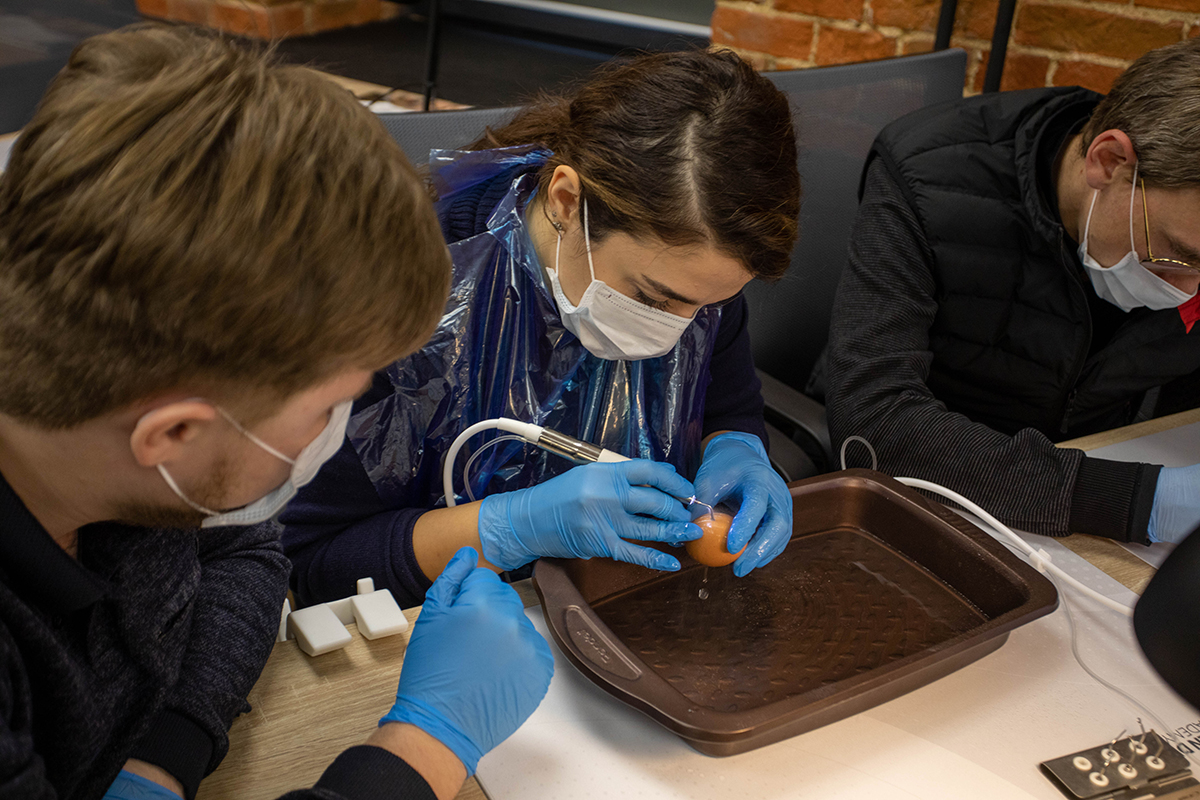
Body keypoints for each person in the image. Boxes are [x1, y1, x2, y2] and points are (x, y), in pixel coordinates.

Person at [0, 24, 551, 800]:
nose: (339, 428)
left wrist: (162, 752)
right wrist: (426, 744)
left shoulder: (115, 453)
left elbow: (246, 550)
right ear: (173, 433)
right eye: (330, 403)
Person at [280, 49, 802, 607]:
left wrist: (739, 447)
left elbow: (726, 405)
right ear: (566, 200)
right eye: (651, 298)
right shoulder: (393, 293)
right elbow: (313, 565)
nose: (677, 329)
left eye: (710, 305)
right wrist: (509, 528)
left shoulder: (692, 279)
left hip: (621, 603)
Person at [821, 38, 1200, 546]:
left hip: (1094, 485)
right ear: (1109, 161)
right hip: (936, 502)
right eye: (1177, 254)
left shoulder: (1181, 223)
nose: (1189, 292)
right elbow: (876, 420)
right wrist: (1137, 501)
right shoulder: (927, 178)